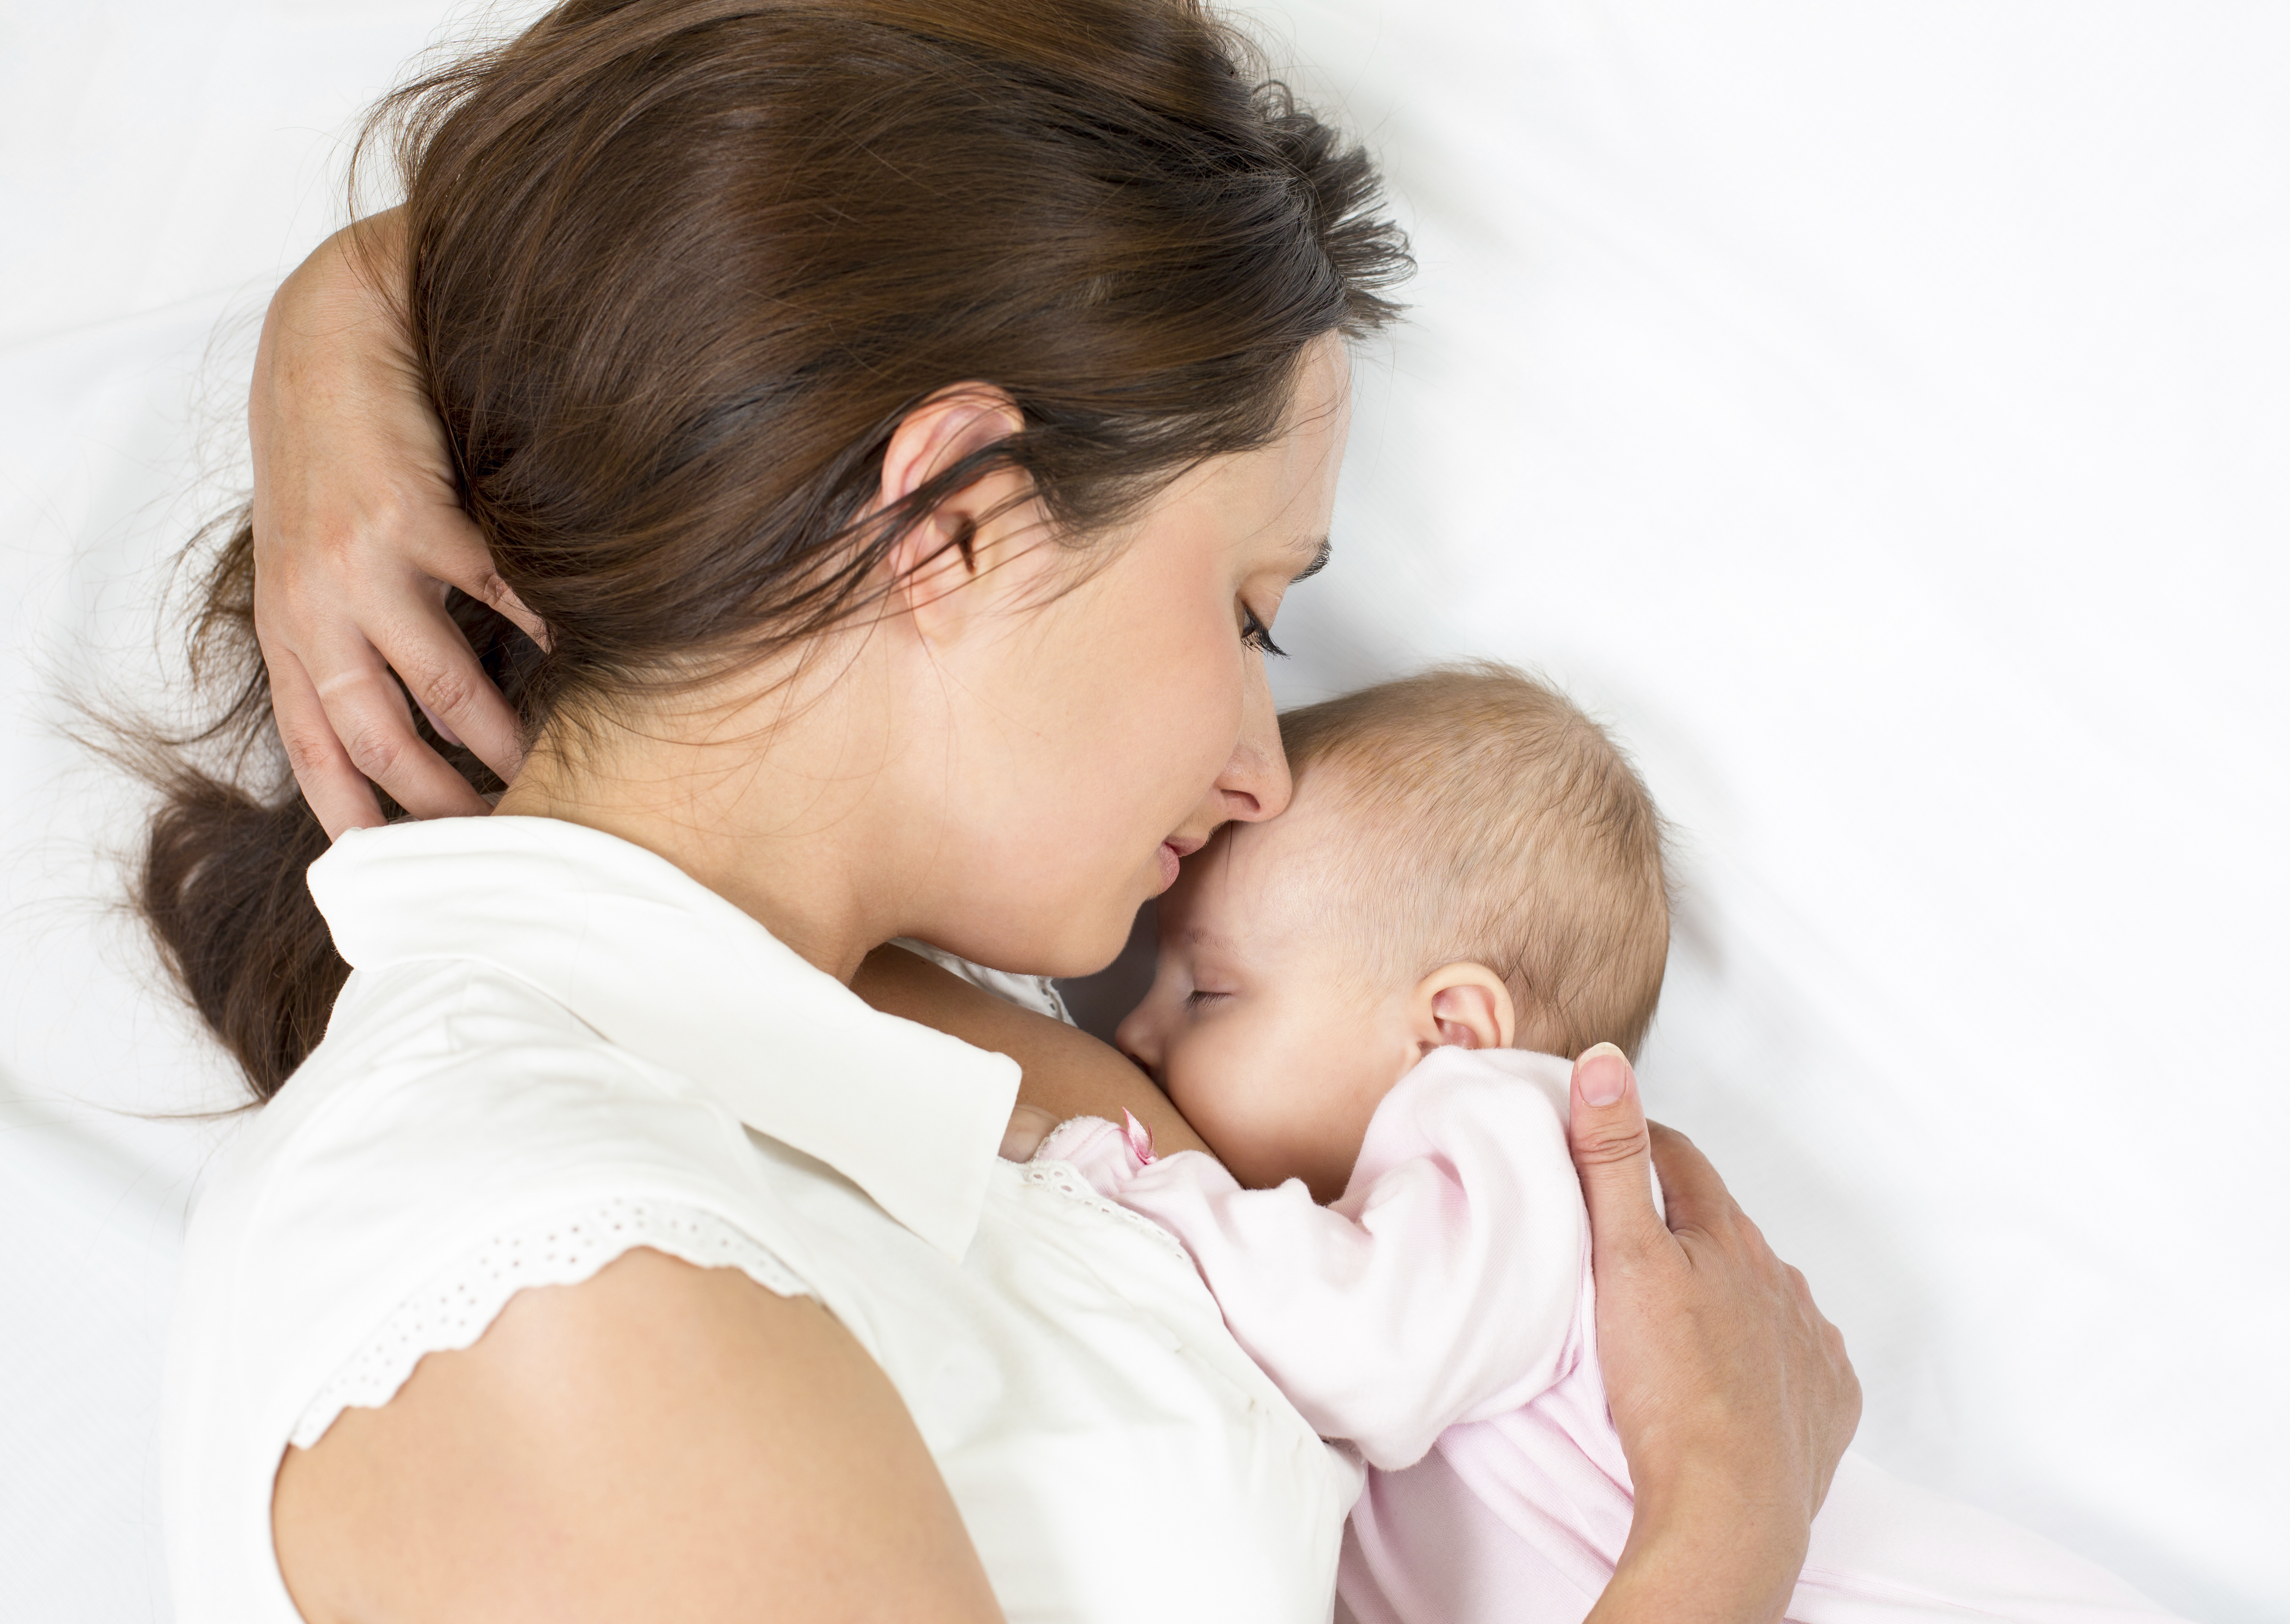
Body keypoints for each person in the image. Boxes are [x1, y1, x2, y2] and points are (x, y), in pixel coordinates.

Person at [145, 1, 1860, 1620]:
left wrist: (360, 306)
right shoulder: (551, 1275)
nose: (1266, 766)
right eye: (1248, 611)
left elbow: (705, 227)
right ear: (955, 522)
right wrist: (1717, 1518)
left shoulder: (928, 1065)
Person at [1005, 665, 2184, 1624]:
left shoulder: (1494, 1133)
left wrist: (1114, 1176)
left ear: (1447, 1029)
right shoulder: (1421, 1203)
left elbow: (1365, 1349)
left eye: (1206, 991)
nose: (1138, 1031)